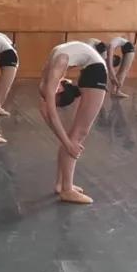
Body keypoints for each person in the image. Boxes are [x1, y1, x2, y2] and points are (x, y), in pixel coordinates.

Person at [38, 41, 108, 204]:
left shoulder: (52, 74)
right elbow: (48, 114)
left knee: (72, 136)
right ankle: (67, 189)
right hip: (95, 72)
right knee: (79, 133)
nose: (51, 98)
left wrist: (68, 143)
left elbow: (51, 115)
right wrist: (67, 143)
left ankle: (61, 184)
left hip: (94, 71)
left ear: (60, 89)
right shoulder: (48, 81)